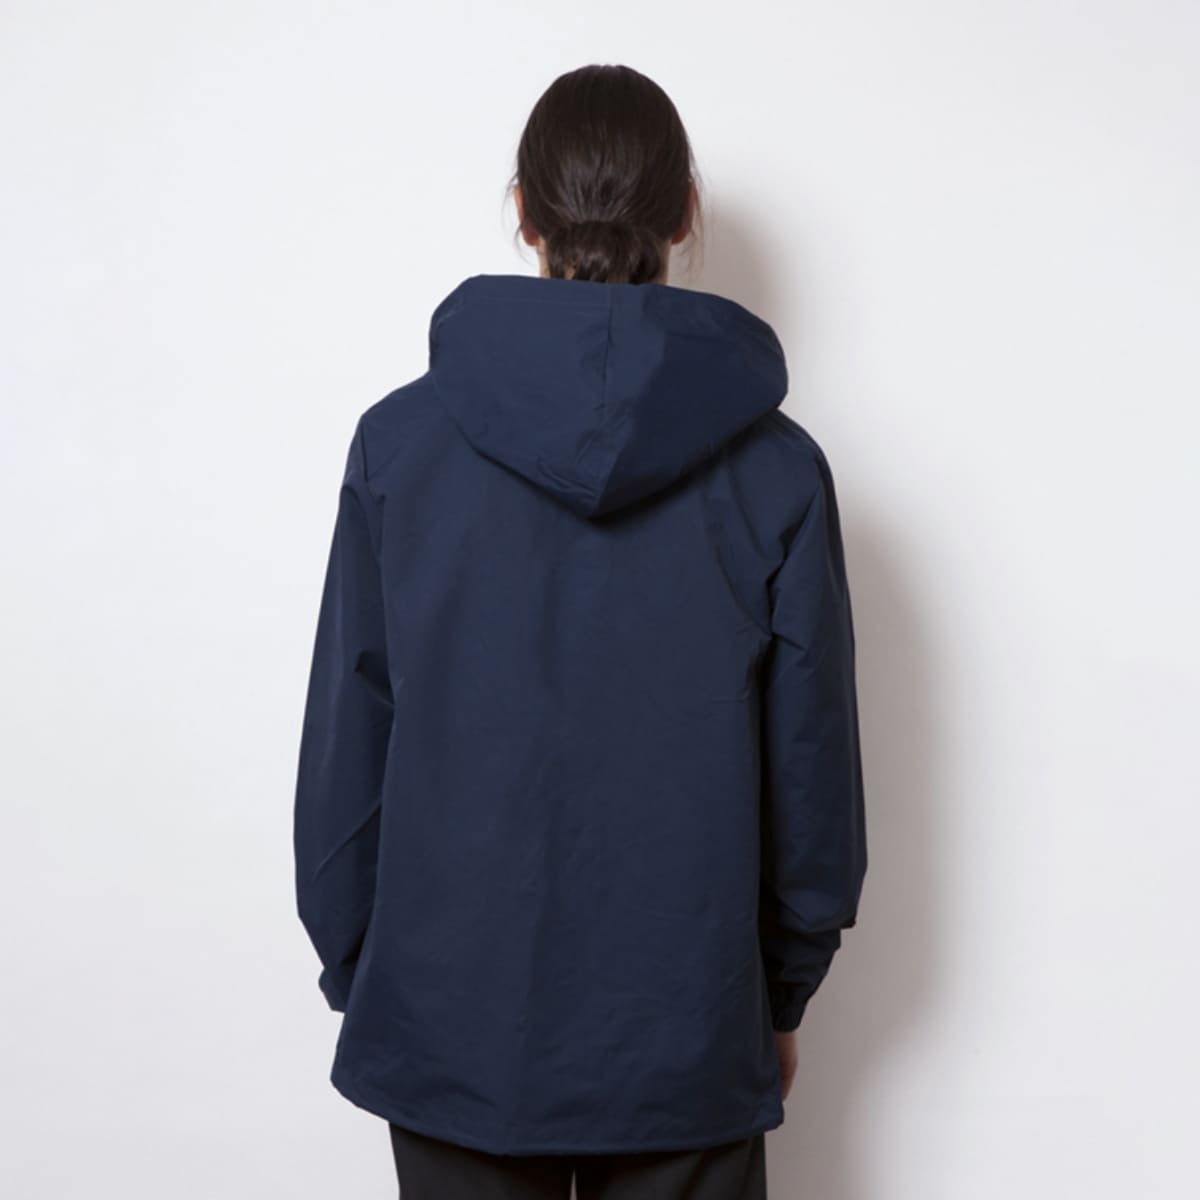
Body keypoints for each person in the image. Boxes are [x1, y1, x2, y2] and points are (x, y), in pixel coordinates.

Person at [293, 62, 868, 1200]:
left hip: (450, 1015)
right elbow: (812, 774)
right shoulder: (779, 472)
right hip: (688, 1022)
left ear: (525, 211)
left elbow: (347, 746)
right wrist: (777, 996)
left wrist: (375, 979)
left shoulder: (398, 449)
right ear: (685, 212)